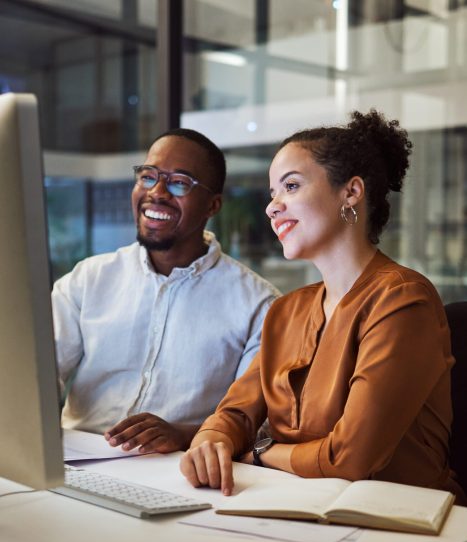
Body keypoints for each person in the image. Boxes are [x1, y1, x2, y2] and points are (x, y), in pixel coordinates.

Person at [180, 110, 466, 507]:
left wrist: (259, 453)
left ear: (351, 192)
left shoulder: (403, 299)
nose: (272, 207)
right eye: (272, 194)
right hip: (296, 504)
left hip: (396, 523)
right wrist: (213, 439)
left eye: (291, 186)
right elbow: (235, 415)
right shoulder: (287, 310)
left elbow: (350, 458)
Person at [52, 128, 280, 453]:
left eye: (179, 182)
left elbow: (258, 424)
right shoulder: (88, 280)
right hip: (76, 459)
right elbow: (37, 376)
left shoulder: (258, 304)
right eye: (148, 176)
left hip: (179, 469)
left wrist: (184, 434)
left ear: (212, 205)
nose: (157, 192)